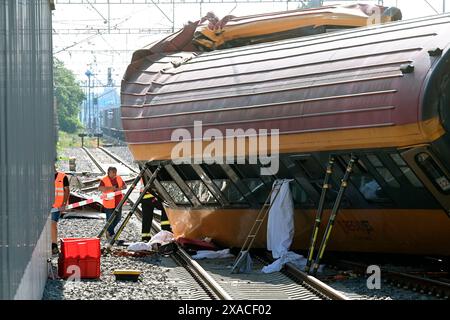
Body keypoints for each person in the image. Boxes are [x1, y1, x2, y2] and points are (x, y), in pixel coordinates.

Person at [98, 167, 126, 240]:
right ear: (108, 172)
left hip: (118, 202)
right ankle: (111, 233)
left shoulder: (119, 178)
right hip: (109, 202)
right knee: (110, 219)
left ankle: (108, 231)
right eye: (112, 172)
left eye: (115, 172)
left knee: (118, 218)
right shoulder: (104, 179)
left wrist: (120, 188)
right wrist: (111, 188)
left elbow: (125, 186)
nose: (114, 174)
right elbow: (100, 188)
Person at [51, 168, 70, 255]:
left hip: (57, 206)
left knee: (53, 223)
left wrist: (64, 204)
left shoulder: (62, 177)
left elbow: (67, 191)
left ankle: (54, 246)